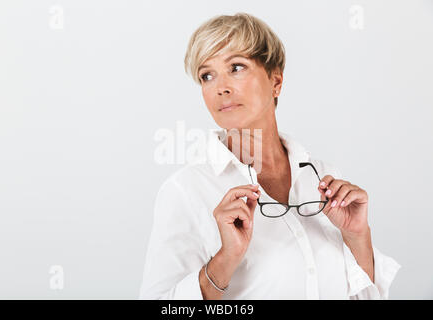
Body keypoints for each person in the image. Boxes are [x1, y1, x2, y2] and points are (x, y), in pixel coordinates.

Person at [139, 12, 400, 300]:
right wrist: (226, 259)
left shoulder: (325, 176)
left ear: (276, 80)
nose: (220, 87)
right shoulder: (185, 191)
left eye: (236, 67)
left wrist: (357, 235)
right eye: (207, 75)